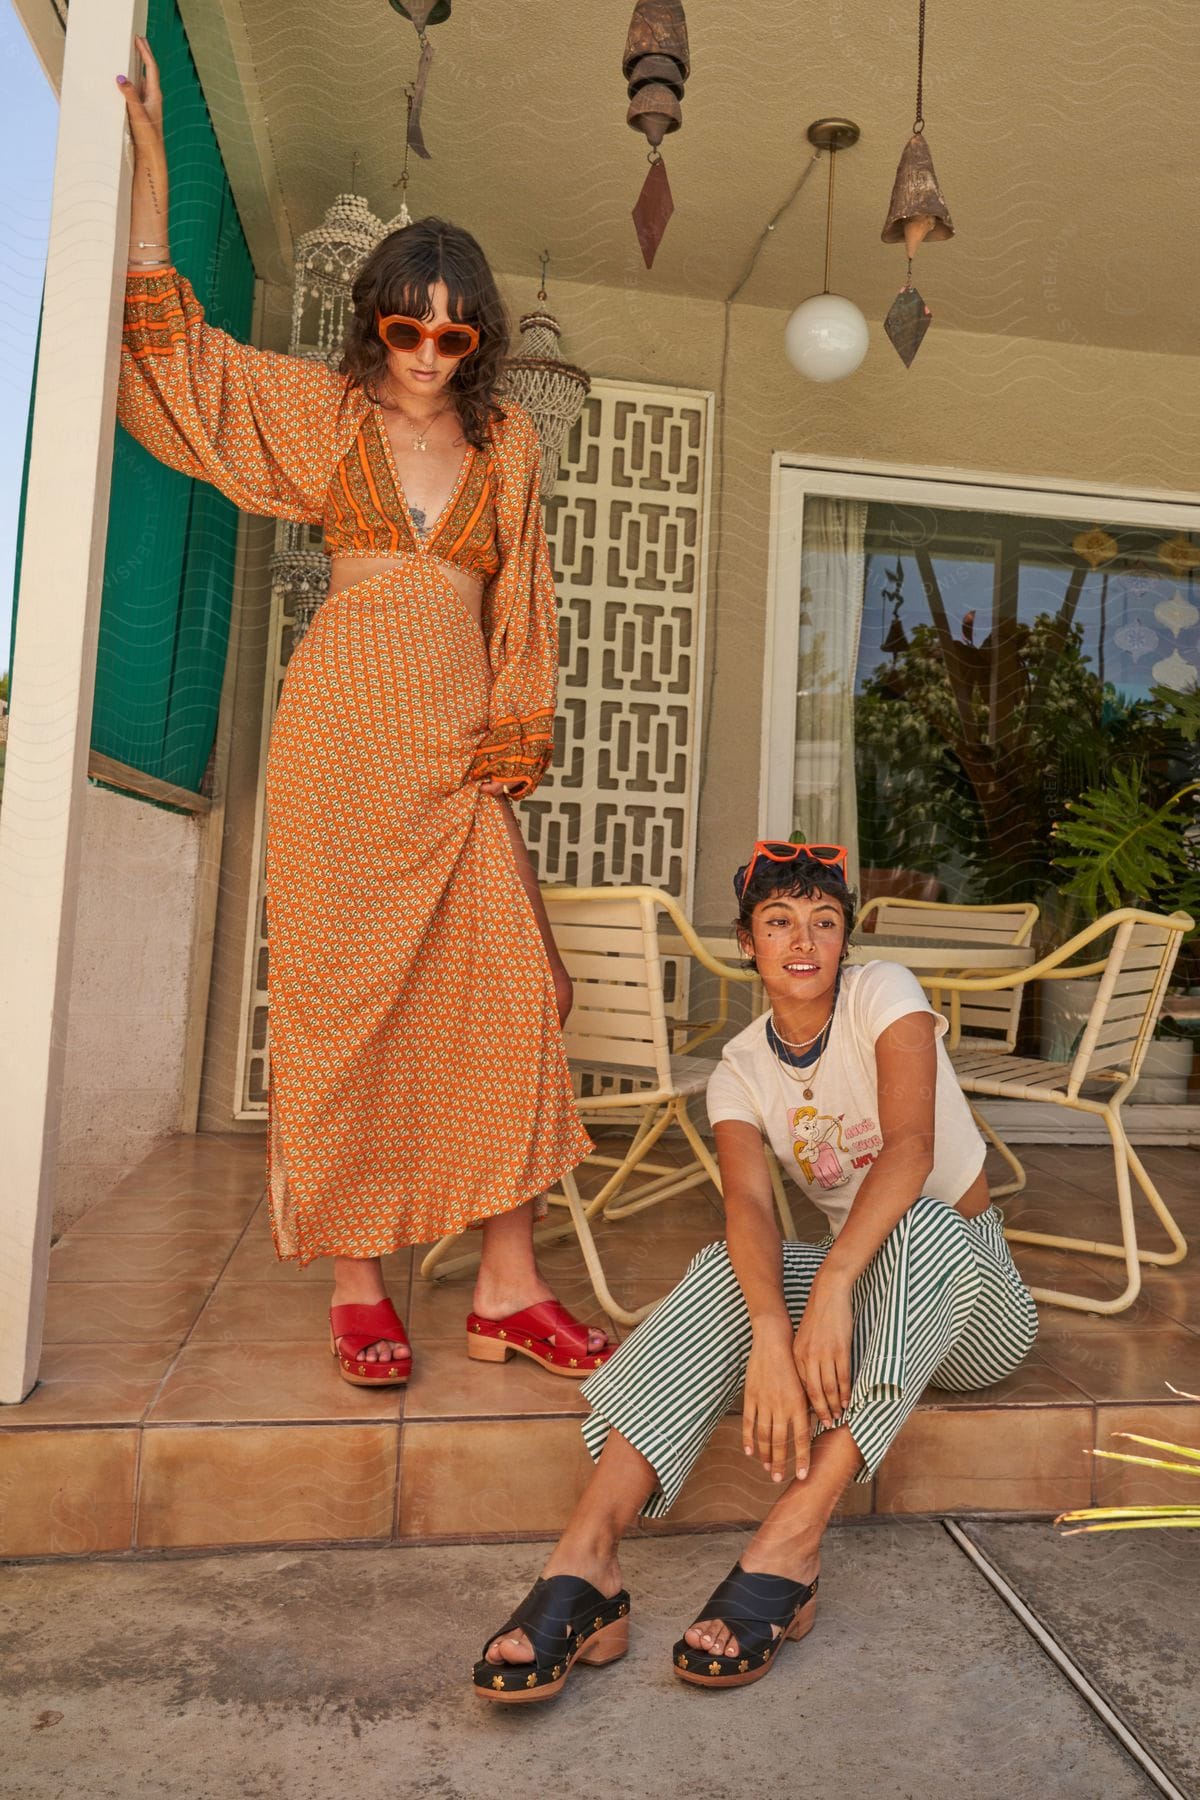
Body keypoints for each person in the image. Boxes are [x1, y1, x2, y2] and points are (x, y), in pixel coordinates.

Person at [115, 40, 612, 1387]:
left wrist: (505, 771)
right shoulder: (326, 414)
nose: (432, 356)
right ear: (375, 320)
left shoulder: (511, 445)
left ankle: (508, 1285)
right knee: (342, 1008)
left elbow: (526, 616)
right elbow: (184, 360)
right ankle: (356, 1281)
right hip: (340, 736)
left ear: (482, 335)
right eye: (410, 328)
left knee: (515, 1001)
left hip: (457, 759)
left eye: (457, 333)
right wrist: (155, 167)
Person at [474, 841, 1039, 1701]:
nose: (803, 940)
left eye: (824, 921)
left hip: (969, 1294)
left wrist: (837, 1286)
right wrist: (773, 1328)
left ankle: (792, 1540)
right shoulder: (740, 1066)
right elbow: (750, 1210)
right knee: (719, 1269)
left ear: (847, 937)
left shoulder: (884, 993)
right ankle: (588, 1565)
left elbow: (913, 1149)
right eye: (779, 922)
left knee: (922, 1226)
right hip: (868, 1280)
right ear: (747, 941)